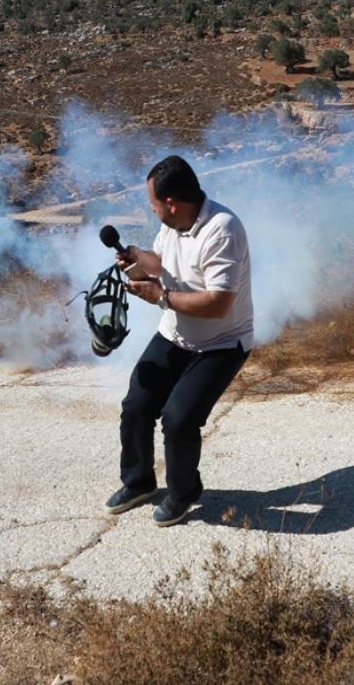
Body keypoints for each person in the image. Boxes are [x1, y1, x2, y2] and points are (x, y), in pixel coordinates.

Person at [105, 156, 253, 526]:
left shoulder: (222, 229)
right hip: (175, 333)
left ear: (171, 202)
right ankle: (138, 482)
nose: (152, 209)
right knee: (137, 404)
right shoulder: (173, 225)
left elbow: (219, 304)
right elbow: (164, 262)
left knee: (179, 418)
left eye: (153, 203)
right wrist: (138, 258)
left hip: (222, 342)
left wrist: (161, 298)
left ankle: (184, 491)